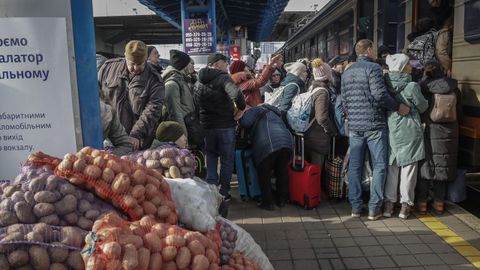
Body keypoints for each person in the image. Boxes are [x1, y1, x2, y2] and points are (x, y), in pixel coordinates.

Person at [341, 39, 411, 220]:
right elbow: (380, 95)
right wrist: (398, 107)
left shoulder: (347, 72)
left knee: (355, 167)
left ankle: (356, 208)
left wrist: (353, 117)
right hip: (374, 126)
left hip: (355, 127)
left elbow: (344, 100)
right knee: (379, 166)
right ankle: (374, 208)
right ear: (370, 50)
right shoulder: (373, 69)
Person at [194, 52, 247, 203]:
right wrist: (241, 109)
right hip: (225, 126)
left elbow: (195, 104)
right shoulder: (223, 78)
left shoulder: (198, 81)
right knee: (226, 160)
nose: (227, 65)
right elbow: (236, 94)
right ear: (217, 64)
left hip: (206, 126)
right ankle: (224, 193)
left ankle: (212, 190)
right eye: (225, 62)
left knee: (210, 156)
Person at [383, 54, 429, 219]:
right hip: (409, 130)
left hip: (391, 129)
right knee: (409, 169)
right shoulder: (412, 86)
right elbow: (423, 106)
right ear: (403, 68)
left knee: (392, 167)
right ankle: (405, 206)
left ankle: (388, 206)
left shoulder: (385, 84)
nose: (411, 65)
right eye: (408, 63)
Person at [98, 40, 165, 151]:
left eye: (140, 64)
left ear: (146, 59)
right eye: (131, 64)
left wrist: (136, 135)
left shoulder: (154, 80)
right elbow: (98, 96)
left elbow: (152, 110)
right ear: (125, 57)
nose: (135, 68)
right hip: (111, 137)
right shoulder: (107, 68)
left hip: (138, 141)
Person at [417, 61, 461, 214]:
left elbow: (420, 109)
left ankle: (422, 203)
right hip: (449, 133)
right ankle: (439, 203)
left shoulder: (423, 87)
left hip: (428, 130)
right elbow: (459, 113)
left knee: (426, 166)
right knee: (442, 166)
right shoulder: (454, 88)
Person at [239, 104, 292, 210]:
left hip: (268, 144)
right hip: (286, 142)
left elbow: (245, 123)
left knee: (264, 174)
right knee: (281, 172)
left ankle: (268, 203)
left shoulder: (254, 109)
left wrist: (240, 117)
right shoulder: (275, 111)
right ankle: (281, 200)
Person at [304, 59, 337, 171]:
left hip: (309, 135)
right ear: (326, 75)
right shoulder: (322, 92)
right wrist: (332, 130)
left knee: (309, 171)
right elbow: (321, 118)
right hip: (318, 138)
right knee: (315, 172)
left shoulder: (312, 88)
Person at [162, 50, 195, 137]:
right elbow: (175, 114)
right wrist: (183, 136)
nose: (191, 66)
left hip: (188, 125)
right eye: (189, 63)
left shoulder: (182, 80)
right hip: (181, 131)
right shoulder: (172, 84)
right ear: (183, 65)